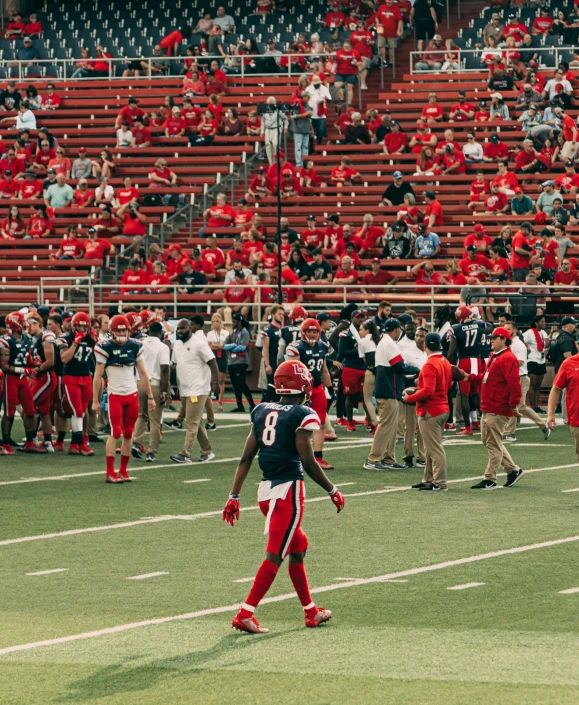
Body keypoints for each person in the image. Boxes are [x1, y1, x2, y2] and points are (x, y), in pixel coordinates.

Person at [223, 359, 345, 634]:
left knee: (298, 546)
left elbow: (246, 457)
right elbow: (309, 460)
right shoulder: (302, 413)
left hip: (265, 493)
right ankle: (246, 612)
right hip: (288, 491)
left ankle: (311, 611)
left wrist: (234, 495)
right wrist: (332, 489)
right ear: (303, 383)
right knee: (276, 553)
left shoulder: (261, 409)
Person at [92, 315, 154, 483]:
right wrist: (95, 400)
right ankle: (110, 472)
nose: (121, 333)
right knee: (115, 433)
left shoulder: (135, 346)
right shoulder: (104, 347)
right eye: (118, 330)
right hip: (115, 395)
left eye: (124, 330)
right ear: (111, 332)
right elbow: (97, 376)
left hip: (132, 394)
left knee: (128, 433)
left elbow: (142, 372)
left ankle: (123, 471)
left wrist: (150, 396)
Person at [470, 327, 523, 490]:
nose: (491, 340)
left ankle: (490, 478)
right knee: (489, 441)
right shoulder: (495, 357)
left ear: (504, 340)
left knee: (493, 442)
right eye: (491, 337)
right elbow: (488, 377)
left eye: (495, 337)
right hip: (489, 405)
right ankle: (513, 470)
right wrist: (469, 377)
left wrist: (513, 405)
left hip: (498, 406)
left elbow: (515, 384)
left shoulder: (507, 358)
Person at [364, 318, 420, 470]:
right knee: (386, 426)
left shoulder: (384, 342)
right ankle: (373, 460)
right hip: (389, 390)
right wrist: (417, 370)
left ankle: (388, 458)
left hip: (387, 389)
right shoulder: (390, 344)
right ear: (396, 330)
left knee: (391, 426)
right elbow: (399, 366)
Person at [404, 332, 452, 491]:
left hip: (431, 410)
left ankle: (439, 482)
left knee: (434, 449)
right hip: (442, 407)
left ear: (425, 345)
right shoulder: (444, 361)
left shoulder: (430, 364)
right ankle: (428, 479)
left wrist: (410, 398)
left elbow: (428, 391)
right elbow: (445, 385)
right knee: (432, 447)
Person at [170, 319, 219, 464]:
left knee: (191, 421)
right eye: (178, 329)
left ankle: (185, 454)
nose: (180, 331)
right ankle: (207, 451)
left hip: (198, 389)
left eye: (183, 329)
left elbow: (212, 362)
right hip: (185, 389)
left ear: (190, 328)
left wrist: (215, 381)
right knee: (197, 422)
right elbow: (177, 365)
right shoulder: (177, 345)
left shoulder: (199, 344)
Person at [287, 318, 333, 470]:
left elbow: (324, 369)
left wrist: (330, 388)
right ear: (303, 332)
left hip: (318, 389)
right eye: (309, 332)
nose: (312, 335)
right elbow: (293, 370)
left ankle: (318, 458)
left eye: (314, 332)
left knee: (318, 423)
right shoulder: (296, 347)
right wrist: (300, 391)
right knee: (297, 424)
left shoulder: (323, 346)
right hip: (301, 390)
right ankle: (293, 456)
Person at [0, 312, 46, 454]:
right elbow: (4, 366)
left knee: (31, 411)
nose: (26, 325)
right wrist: (23, 370)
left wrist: (35, 365)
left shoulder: (26, 338)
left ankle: (30, 442)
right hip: (11, 379)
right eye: (23, 322)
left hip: (23, 380)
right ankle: (5, 444)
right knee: (9, 413)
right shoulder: (5, 340)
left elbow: (27, 359)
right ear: (15, 324)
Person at [55, 312, 96, 456]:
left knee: (82, 410)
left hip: (86, 377)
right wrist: (75, 342)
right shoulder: (65, 338)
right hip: (71, 377)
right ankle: (80, 444)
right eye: (79, 327)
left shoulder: (91, 339)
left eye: (85, 328)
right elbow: (65, 359)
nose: (82, 330)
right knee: (77, 412)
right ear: (73, 326)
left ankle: (74, 445)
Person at [502, 321, 550, 443]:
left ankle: (510, 433)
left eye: (507, 329)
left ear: (513, 330)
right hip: (514, 377)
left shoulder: (518, 345)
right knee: (516, 406)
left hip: (520, 377)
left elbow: (519, 363)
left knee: (516, 405)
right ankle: (542, 425)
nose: (505, 331)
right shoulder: (511, 344)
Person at [131, 321, 170, 463]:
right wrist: (164, 390)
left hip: (139, 383)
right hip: (154, 383)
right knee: (155, 420)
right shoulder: (163, 347)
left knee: (141, 415)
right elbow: (164, 368)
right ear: (160, 333)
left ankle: (136, 443)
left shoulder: (140, 343)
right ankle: (151, 452)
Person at [448, 305, 489, 437]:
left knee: (464, 395)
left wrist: (448, 365)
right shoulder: (480, 325)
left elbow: (451, 352)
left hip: (464, 361)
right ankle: (485, 422)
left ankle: (467, 426)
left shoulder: (455, 329)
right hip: (477, 361)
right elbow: (489, 328)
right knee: (476, 394)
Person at [225, 313, 255, 412]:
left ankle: (252, 404)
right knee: (235, 385)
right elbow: (225, 344)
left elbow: (242, 347)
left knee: (241, 383)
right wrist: (233, 346)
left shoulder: (245, 333)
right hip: (232, 362)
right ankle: (240, 406)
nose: (232, 323)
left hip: (241, 361)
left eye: (234, 321)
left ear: (239, 322)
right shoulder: (233, 333)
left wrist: (231, 347)